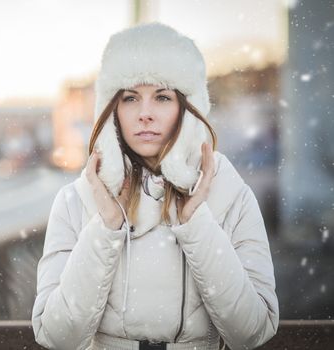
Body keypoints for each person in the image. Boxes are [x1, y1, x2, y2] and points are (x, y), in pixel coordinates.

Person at [32, 22, 278, 350]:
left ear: (186, 108)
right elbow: (55, 336)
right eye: (131, 98)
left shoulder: (230, 195)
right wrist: (105, 228)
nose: (145, 114)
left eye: (162, 97)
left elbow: (253, 332)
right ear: (112, 110)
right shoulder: (76, 202)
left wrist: (196, 224)